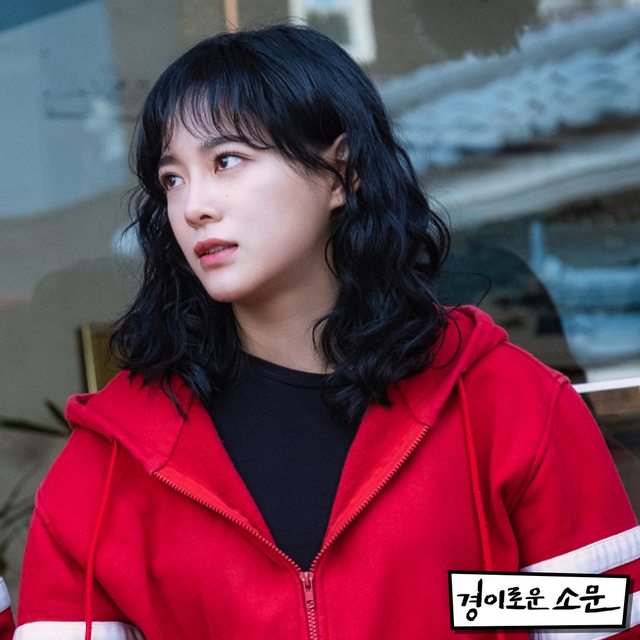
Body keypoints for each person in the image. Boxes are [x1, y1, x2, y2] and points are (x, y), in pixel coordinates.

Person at [10, 24, 640, 640]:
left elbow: (594, 619)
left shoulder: (507, 404)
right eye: (172, 178)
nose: (194, 205)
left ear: (342, 173)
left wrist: (465, 604)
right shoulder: (111, 463)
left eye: (227, 161)